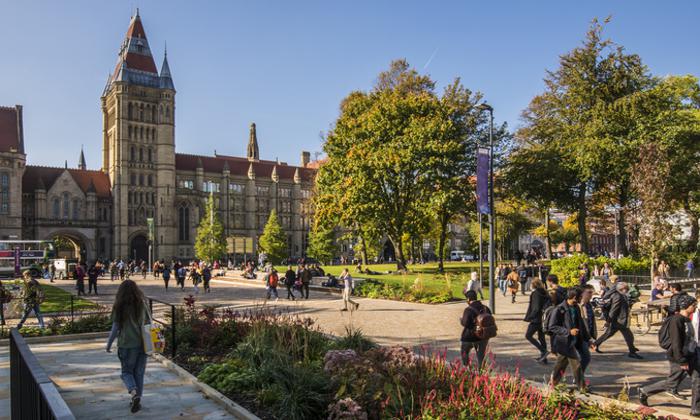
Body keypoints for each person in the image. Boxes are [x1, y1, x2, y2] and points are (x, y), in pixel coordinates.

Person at [639, 295, 697, 409]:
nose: (695, 307)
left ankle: (696, 408)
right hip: (678, 357)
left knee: (697, 379)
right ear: (686, 306)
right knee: (672, 382)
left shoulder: (686, 319)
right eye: (693, 305)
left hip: (689, 354)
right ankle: (645, 391)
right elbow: (676, 343)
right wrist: (682, 360)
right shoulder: (676, 320)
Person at [106, 280, 149, 413]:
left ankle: (133, 393)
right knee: (139, 373)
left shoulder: (119, 305)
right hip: (143, 343)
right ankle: (137, 399)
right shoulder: (142, 304)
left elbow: (115, 327)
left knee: (126, 372)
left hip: (126, 344)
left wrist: (109, 344)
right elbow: (148, 323)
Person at [548, 287, 595, 392]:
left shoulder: (576, 307)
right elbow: (552, 326)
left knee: (561, 365)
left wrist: (588, 339)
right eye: (580, 297)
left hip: (574, 341)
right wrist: (568, 331)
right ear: (574, 297)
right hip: (564, 342)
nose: (581, 298)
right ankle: (582, 387)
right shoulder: (559, 309)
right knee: (576, 364)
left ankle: (552, 383)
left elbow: (581, 325)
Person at [594, 282, 642, 359]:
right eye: (627, 289)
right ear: (622, 289)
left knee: (608, 334)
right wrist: (608, 321)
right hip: (619, 321)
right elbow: (614, 310)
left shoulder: (621, 295)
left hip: (618, 321)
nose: (628, 290)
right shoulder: (618, 297)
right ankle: (632, 351)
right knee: (629, 336)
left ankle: (595, 344)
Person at [460, 290, 492, 369]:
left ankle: (466, 367)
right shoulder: (485, 308)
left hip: (470, 337)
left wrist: (461, 320)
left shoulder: (468, 310)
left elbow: (465, 323)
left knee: (464, 351)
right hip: (483, 336)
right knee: (481, 355)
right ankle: (482, 371)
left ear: (468, 299)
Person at [523, 278, 550, 363]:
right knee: (541, 338)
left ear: (533, 285)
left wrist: (530, 316)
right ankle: (544, 358)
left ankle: (543, 351)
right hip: (543, 318)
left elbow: (536, 307)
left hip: (536, 319)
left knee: (528, 335)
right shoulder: (545, 292)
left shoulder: (535, 294)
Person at [579, 284, 598, 376]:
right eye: (589, 292)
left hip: (587, 336)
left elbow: (591, 322)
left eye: (592, 292)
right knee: (585, 358)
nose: (591, 294)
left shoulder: (589, 305)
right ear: (582, 293)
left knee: (584, 358)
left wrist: (592, 336)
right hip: (579, 337)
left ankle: (578, 378)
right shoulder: (578, 305)